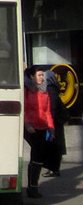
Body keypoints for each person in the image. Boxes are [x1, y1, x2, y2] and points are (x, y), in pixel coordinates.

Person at [23, 65, 56, 198]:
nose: (42, 78)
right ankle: (32, 188)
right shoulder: (27, 90)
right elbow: (24, 108)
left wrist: (51, 128)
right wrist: (27, 124)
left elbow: (47, 111)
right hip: (31, 128)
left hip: (42, 126)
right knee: (37, 154)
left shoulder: (44, 91)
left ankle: (33, 186)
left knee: (38, 157)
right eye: (39, 75)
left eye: (43, 75)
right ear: (32, 76)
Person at [43, 69, 69, 178]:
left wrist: (49, 122)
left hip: (54, 123)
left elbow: (52, 107)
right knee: (53, 146)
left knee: (53, 146)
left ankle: (53, 169)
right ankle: (52, 168)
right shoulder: (52, 88)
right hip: (55, 122)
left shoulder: (50, 89)